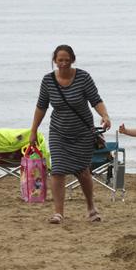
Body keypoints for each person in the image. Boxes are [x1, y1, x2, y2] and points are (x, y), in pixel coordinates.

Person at [29, 45, 111, 224]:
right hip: (59, 132)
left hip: (82, 132)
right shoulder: (48, 80)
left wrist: (104, 115)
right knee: (57, 170)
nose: (64, 63)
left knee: (83, 171)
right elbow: (41, 106)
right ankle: (58, 213)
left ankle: (91, 208)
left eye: (67, 60)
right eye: (60, 60)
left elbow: (95, 100)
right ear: (55, 61)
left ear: (72, 59)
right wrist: (33, 130)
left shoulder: (83, 77)